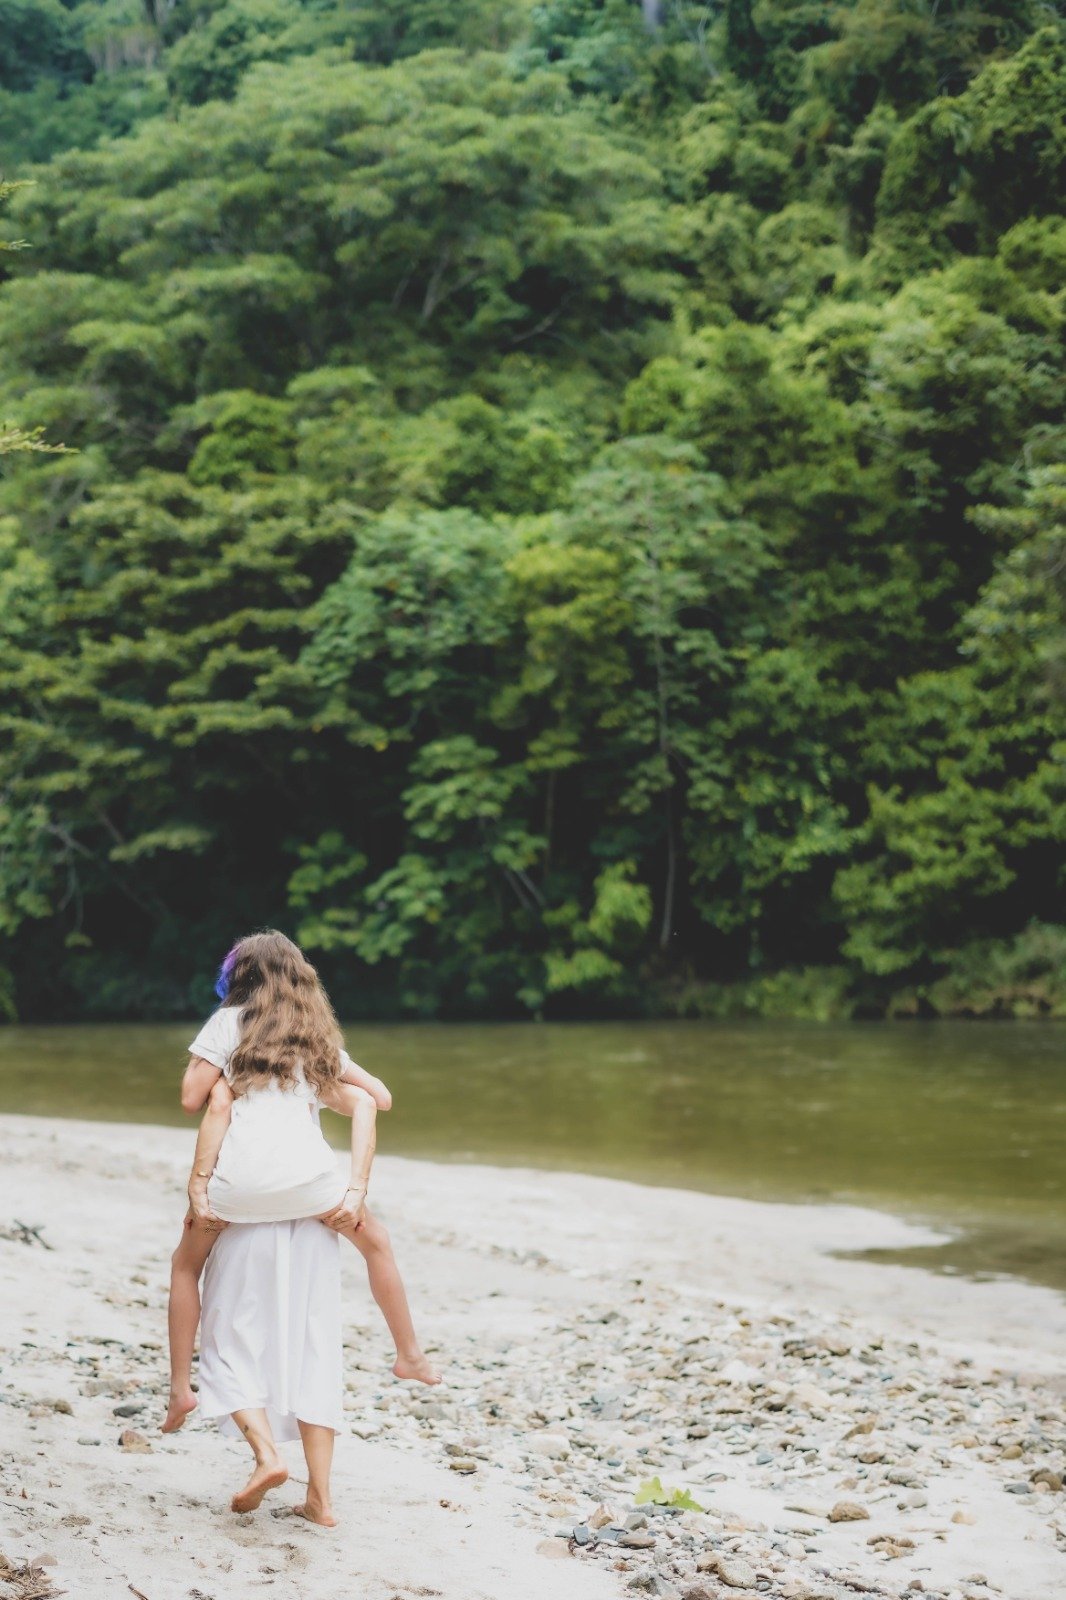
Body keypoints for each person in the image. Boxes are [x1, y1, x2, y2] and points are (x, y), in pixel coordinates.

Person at [163, 929, 440, 1443]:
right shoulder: (312, 1034)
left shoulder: (228, 1022)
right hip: (312, 1187)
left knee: (185, 1266)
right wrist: (355, 1186)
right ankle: (409, 1353)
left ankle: (181, 1388)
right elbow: (378, 1098)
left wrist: (222, 1076)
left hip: (238, 1186)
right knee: (376, 1243)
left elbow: (190, 1098)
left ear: (238, 977)